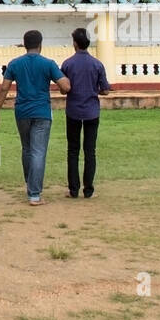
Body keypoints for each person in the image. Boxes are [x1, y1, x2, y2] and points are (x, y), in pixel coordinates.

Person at [0, 29, 70, 206]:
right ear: (40, 45)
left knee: (27, 149)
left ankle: (30, 184)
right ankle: (34, 194)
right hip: (42, 112)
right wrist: (65, 86)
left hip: (22, 112)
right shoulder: (48, 64)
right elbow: (65, 85)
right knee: (39, 151)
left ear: (24, 45)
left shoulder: (15, 64)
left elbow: (4, 88)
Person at [61, 26, 111, 198]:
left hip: (73, 111)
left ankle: (73, 190)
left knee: (73, 150)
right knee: (90, 151)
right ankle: (88, 190)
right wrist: (92, 90)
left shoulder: (67, 64)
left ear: (75, 43)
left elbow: (63, 89)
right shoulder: (97, 64)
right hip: (92, 112)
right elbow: (105, 90)